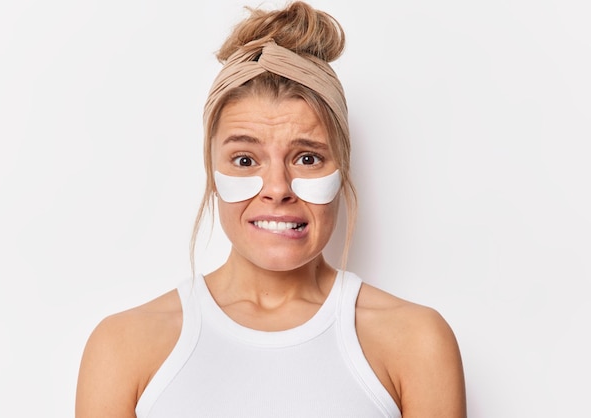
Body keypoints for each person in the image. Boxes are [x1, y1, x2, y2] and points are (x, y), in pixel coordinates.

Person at [75, 1, 467, 417]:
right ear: (212, 172)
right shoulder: (123, 347)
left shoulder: (416, 341)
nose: (278, 188)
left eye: (308, 158)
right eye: (245, 160)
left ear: (342, 168)